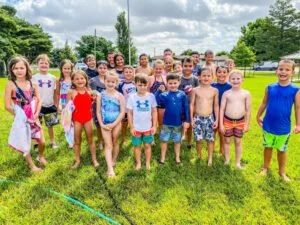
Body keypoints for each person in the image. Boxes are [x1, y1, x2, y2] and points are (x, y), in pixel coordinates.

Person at [256, 60, 300, 182]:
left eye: (287, 70)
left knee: (282, 150)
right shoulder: (269, 87)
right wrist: (258, 115)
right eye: (281, 69)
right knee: (268, 147)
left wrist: (298, 124)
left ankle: (282, 172)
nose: (283, 72)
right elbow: (264, 103)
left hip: (283, 127)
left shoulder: (295, 90)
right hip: (268, 125)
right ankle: (265, 168)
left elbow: (297, 108)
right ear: (276, 71)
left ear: (293, 72)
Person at [5, 56, 46, 172]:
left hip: (34, 117)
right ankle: (32, 166)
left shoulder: (33, 83)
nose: (19, 71)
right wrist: (19, 116)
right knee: (25, 142)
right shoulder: (11, 84)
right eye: (15, 68)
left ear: (27, 69)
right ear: (11, 70)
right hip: (21, 119)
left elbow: (39, 100)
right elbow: (7, 106)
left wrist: (37, 113)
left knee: (42, 142)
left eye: (21, 68)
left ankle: (40, 156)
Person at [67, 70, 99, 169]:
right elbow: (68, 108)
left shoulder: (90, 91)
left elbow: (94, 103)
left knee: (90, 139)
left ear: (86, 79)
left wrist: (94, 99)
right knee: (77, 141)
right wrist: (68, 121)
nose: (80, 80)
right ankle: (77, 160)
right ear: (72, 81)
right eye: (76, 79)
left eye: (82, 78)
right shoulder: (71, 92)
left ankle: (94, 159)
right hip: (77, 119)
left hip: (88, 119)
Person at [219, 70, 251, 169]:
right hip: (227, 121)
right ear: (229, 80)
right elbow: (222, 109)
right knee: (227, 141)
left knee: (238, 142)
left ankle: (237, 163)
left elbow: (248, 110)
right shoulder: (226, 93)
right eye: (233, 79)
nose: (235, 80)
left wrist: (246, 124)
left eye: (238, 78)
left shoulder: (246, 93)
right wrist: (221, 124)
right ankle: (227, 160)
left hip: (240, 121)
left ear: (243, 80)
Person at [155, 73, 190, 164]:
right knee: (164, 140)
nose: (173, 85)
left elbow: (186, 107)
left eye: (175, 83)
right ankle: (162, 158)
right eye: (170, 83)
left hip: (178, 123)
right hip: (166, 122)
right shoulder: (165, 95)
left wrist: (187, 120)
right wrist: (159, 91)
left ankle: (177, 158)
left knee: (177, 141)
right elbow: (155, 101)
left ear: (179, 82)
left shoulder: (182, 95)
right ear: (167, 83)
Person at [96, 72, 125, 177]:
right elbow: (98, 111)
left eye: (113, 82)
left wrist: (114, 124)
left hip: (116, 123)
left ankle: (114, 159)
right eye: (108, 81)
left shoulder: (119, 96)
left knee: (115, 141)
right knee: (108, 144)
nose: (110, 83)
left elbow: (122, 112)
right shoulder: (101, 95)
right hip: (104, 123)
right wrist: (101, 124)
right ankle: (110, 168)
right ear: (105, 81)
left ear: (116, 82)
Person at [127, 74, 157, 169]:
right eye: (140, 85)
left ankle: (148, 163)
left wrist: (154, 126)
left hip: (148, 127)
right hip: (136, 128)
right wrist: (131, 127)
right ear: (135, 84)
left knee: (148, 145)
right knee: (137, 146)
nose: (142, 87)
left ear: (148, 85)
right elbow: (130, 113)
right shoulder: (132, 97)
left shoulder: (151, 96)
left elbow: (154, 111)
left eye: (144, 85)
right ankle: (138, 163)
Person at [190, 68, 219, 166]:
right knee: (198, 139)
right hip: (198, 118)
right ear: (199, 77)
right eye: (204, 75)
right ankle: (198, 155)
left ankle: (210, 158)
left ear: (212, 77)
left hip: (209, 118)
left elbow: (216, 106)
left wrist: (217, 120)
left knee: (210, 140)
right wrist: (191, 119)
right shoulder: (195, 90)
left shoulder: (215, 90)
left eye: (208, 76)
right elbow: (192, 105)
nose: (206, 78)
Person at [32, 54, 59, 149]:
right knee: (37, 126)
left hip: (50, 104)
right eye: (41, 63)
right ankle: (37, 143)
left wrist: (56, 104)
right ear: (37, 64)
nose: (44, 65)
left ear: (49, 65)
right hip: (37, 106)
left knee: (50, 125)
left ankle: (52, 142)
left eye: (46, 63)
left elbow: (56, 93)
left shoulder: (53, 78)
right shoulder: (33, 77)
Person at [179, 57, 199, 149]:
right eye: (185, 66)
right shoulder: (178, 78)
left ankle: (189, 142)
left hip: (191, 106)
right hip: (180, 105)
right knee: (180, 124)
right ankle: (178, 140)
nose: (187, 68)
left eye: (190, 66)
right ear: (182, 66)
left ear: (193, 67)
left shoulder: (195, 79)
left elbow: (198, 92)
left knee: (190, 124)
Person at [211, 66, 232, 156]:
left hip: (225, 113)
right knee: (213, 132)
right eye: (219, 72)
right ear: (216, 74)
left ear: (227, 74)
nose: (222, 74)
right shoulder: (212, 85)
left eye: (224, 72)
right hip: (213, 112)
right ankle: (211, 150)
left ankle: (222, 151)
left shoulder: (230, 86)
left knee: (222, 133)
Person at [89, 60, 108, 150]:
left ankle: (107, 140)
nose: (102, 70)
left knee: (108, 123)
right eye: (100, 68)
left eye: (104, 68)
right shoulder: (93, 80)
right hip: (97, 106)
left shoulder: (110, 79)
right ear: (97, 69)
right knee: (99, 125)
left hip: (109, 106)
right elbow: (92, 94)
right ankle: (100, 141)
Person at [118, 65, 137, 143]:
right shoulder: (121, 85)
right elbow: (119, 96)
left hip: (135, 108)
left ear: (133, 73)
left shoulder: (135, 83)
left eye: (130, 72)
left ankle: (135, 137)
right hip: (125, 108)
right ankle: (124, 138)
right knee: (124, 124)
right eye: (126, 72)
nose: (128, 73)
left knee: (134, 123)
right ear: (123, 73)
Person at [148, 59, 167, 132]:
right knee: (152, 121)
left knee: (161, 120)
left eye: (160, 69)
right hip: (153, 103)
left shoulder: (165, 78)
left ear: (163, 69)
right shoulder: (150, 78)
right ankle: (151, 137)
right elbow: (147, 92)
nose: (158, 70)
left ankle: (161, 133)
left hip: (162, 103)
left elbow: (167, 91)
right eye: (156, 69)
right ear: (153, 69)